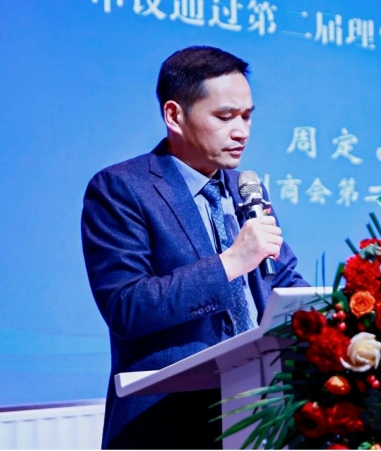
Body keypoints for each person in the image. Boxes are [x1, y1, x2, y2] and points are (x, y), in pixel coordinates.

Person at [81, 46, 310, 449]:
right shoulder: (121, 189)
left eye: (247, 116)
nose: (241, 131)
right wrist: (231, 262)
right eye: (225, 116)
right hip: (169, 423)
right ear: (174, 115)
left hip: (263, 413)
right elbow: (127, 307)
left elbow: (284, 281)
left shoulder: (246, 190)